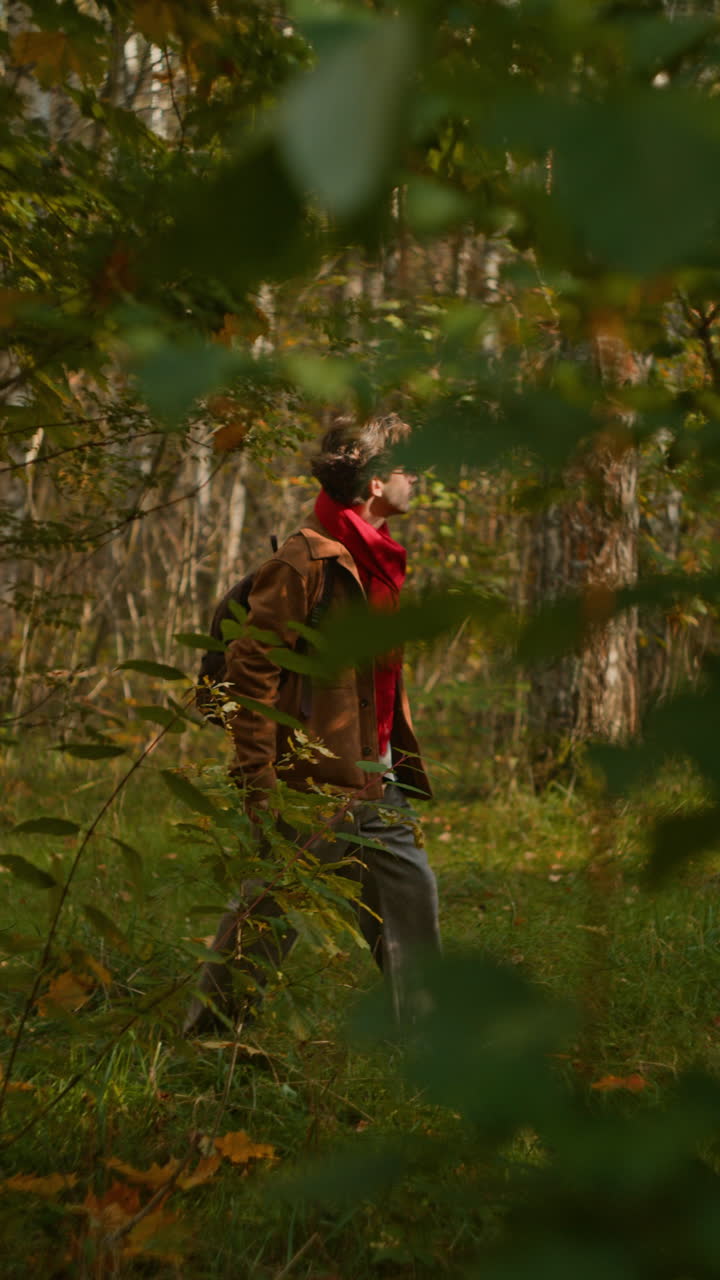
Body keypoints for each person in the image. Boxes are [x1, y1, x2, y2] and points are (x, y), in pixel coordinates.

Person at [183, 411, 441, 1038]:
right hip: (312, 780)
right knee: (270, 910)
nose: (420, 480)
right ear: (376, 481)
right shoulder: (305, 563)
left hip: (375, 774)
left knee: (411, 896)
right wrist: (257, 778)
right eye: (410, 469)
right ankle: (212, 1039)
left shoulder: (378, 559)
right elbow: (251, 678)